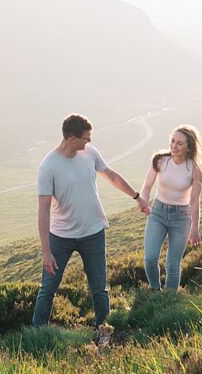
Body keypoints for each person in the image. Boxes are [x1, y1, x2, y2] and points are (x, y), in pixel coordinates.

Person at [32, 113, 150, 345]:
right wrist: (46, 250)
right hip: (61, 237)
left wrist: (137, 197)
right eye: (85, 138)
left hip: (93, 233)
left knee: (99, 287)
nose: (89, 142)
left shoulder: (89, 154)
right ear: (72, 138)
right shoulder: (48, 167)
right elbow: (43, 210)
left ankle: (103, 332)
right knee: (48, 289)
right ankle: (37, 334)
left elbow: (111, 176)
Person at [140, 125, 202, 291]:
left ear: (189, 147)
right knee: (150, 258)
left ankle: (170, 298)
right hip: (158, 212)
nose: (174, 146)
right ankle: (155, 291)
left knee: (172, 264)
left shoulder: (195, 169)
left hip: (181, 217)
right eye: (172, 141)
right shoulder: (160, 161)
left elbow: (194, 200)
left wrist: (195, 229)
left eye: (179, 143)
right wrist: (144, 201)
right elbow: (147, 185)